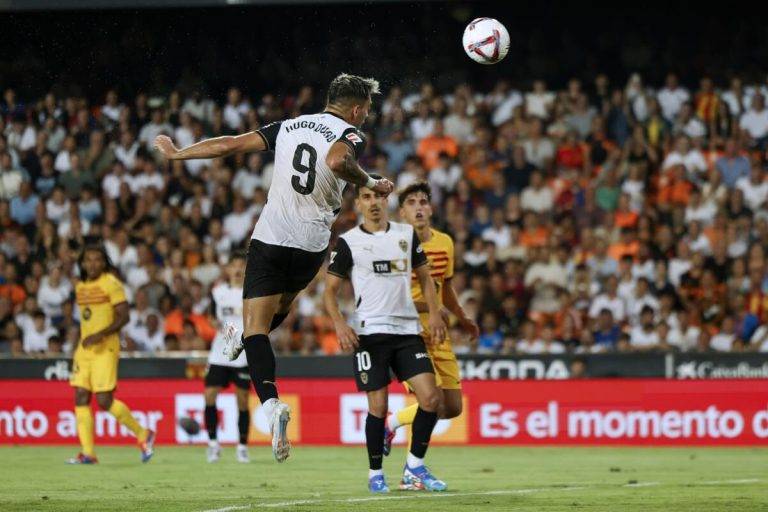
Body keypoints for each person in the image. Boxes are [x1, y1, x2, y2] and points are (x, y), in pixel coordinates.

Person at [155, 73, 394, 462]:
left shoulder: (288, 126)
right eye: (366, 110)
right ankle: (241, 340)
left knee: (256, 330)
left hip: (271, 239)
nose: (366, 117)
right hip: (311, 247)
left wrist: (179, 153)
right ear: (355, 109)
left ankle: (270, 405)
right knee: (271, 317)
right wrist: (370, 180)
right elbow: (337, 160)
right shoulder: (350, 133)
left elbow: (230, 145)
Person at [323, 175, 448, 493]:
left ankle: (414, 468)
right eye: (367, 197)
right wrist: (339, 323)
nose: (374, 202)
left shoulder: (406, 235)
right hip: (370, 334)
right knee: (377, 407)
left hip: (407, 331)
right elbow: (330, 291)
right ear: (358, 204)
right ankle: (375, 473)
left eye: (378, 196)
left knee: (431, 398)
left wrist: (434, 313)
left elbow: (425, 276)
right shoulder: (349, 242)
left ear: (386, 201)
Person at [384, 181, 479, 454]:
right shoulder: (394, 245)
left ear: (432, 208)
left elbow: (445, 285)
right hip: (407, 332)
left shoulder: (445, 243)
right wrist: (432, 310)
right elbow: (389, 297)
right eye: (411, 203)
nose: (419, 208)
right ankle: (413, 470)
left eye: (423, 202)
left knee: (452, 407)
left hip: (438, 332)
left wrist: (462, 316)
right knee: (431, 399)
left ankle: (391, 423)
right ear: (401, 212)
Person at [67, 245, 155, 464]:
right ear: (83, 263)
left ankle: (143, 433)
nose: (93, 264)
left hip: (105, 347)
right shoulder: (80, 286)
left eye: (98, 260)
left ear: (104, 263)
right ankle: (88, 453)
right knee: (80, 396)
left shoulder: (111, 284)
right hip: (84, 348)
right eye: (89, 260)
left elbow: (123, 316)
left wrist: (100, 334)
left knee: (104, 400)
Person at [203, 252, 251, 464]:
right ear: (228, 269)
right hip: (219, 353)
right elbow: (212, 318)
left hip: (242, 354)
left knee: (242, 399)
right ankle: (213, 444)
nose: (238, 269)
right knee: (210, 395)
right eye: (235, 265)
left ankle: (242, 446)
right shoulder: (217, 292)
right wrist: (217, 326)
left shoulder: (251, 293)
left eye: (242, 265)